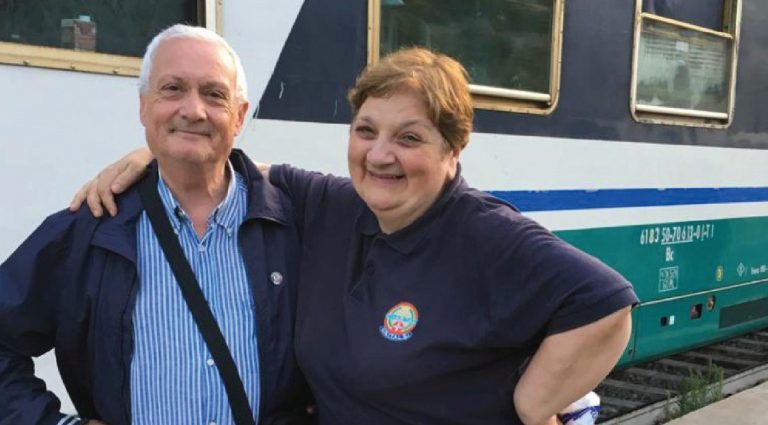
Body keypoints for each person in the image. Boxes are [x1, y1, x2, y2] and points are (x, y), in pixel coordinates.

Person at [72, 48, 637, 425]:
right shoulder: (334, 204)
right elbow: (235, 168)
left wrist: (533, 405)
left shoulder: (483, 233)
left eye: (409, 138)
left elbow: (605, 302)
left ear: (453, 149)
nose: (380, 155)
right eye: (366, 131)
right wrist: (154, 154)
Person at [0, 25, 313, 425]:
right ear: (144, 107)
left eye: (214, 94)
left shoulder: (295, 227)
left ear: (238, 117)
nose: (193, 110)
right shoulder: (91, 230)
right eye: (173, 89)